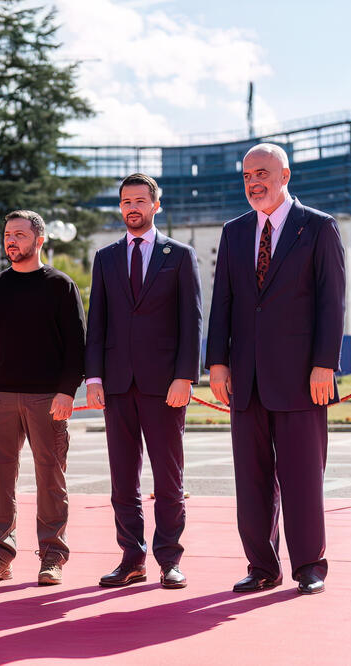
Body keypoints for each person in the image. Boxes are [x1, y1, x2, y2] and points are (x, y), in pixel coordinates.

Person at [206, 143, 346, 595]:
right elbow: (222, 302)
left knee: (303, 476)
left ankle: (309, 566)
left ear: (285, 175)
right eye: (246, 176)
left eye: (262, 173)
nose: (254, 182)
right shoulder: (234, 232)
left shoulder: (319, 228)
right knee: (252, 480)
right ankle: (262, 566)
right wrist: (218, 362)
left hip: (302, 378)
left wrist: (325, 364)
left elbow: (332, 303)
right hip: (245, 380)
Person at [85, 173, 202, 589]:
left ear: (156, 205)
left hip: (165, 386)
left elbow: (192, 322)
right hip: (117, 385)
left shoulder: (180, 255)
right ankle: (131, 558)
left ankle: (170, 559)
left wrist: (185, 376)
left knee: (169, 478)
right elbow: (96, 321)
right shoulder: (106, 258)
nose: (132, 207)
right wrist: (94, 377)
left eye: (139, 200)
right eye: (125, 202)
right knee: (123, 479)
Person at [0, 209, 86, 586]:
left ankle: (52, 555)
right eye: (7, 235)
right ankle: (0, 554)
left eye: (19, 234)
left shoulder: (60, 286)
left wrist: (67, 390)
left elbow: (77, 346)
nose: (11, 241)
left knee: (51, 478)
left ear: (39, 240)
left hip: (47, 399)